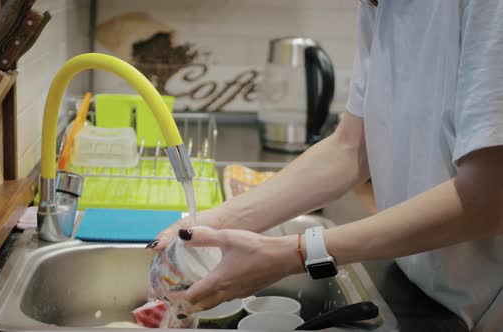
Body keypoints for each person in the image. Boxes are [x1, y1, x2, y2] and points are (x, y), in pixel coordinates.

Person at [147, 1, 503, 330]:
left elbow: (488, 198)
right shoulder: (380, 6)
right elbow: (351, 147)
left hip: (485, 308)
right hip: (420, 281)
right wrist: (216, 222)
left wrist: (297, 253)